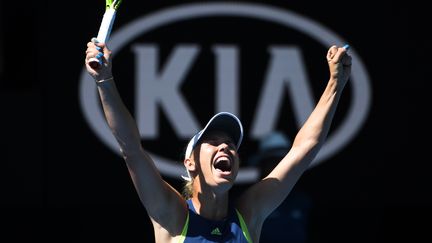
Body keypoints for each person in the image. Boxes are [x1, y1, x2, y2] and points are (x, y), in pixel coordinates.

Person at [84, 38, 352, 243]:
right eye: (212, 141)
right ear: (190, 163)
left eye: (231, 144)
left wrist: (335, 84)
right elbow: (131, 148)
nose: (226, 146)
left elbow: (303, 150)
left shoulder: (248, 215)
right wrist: (104, 81)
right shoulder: (172, 215)